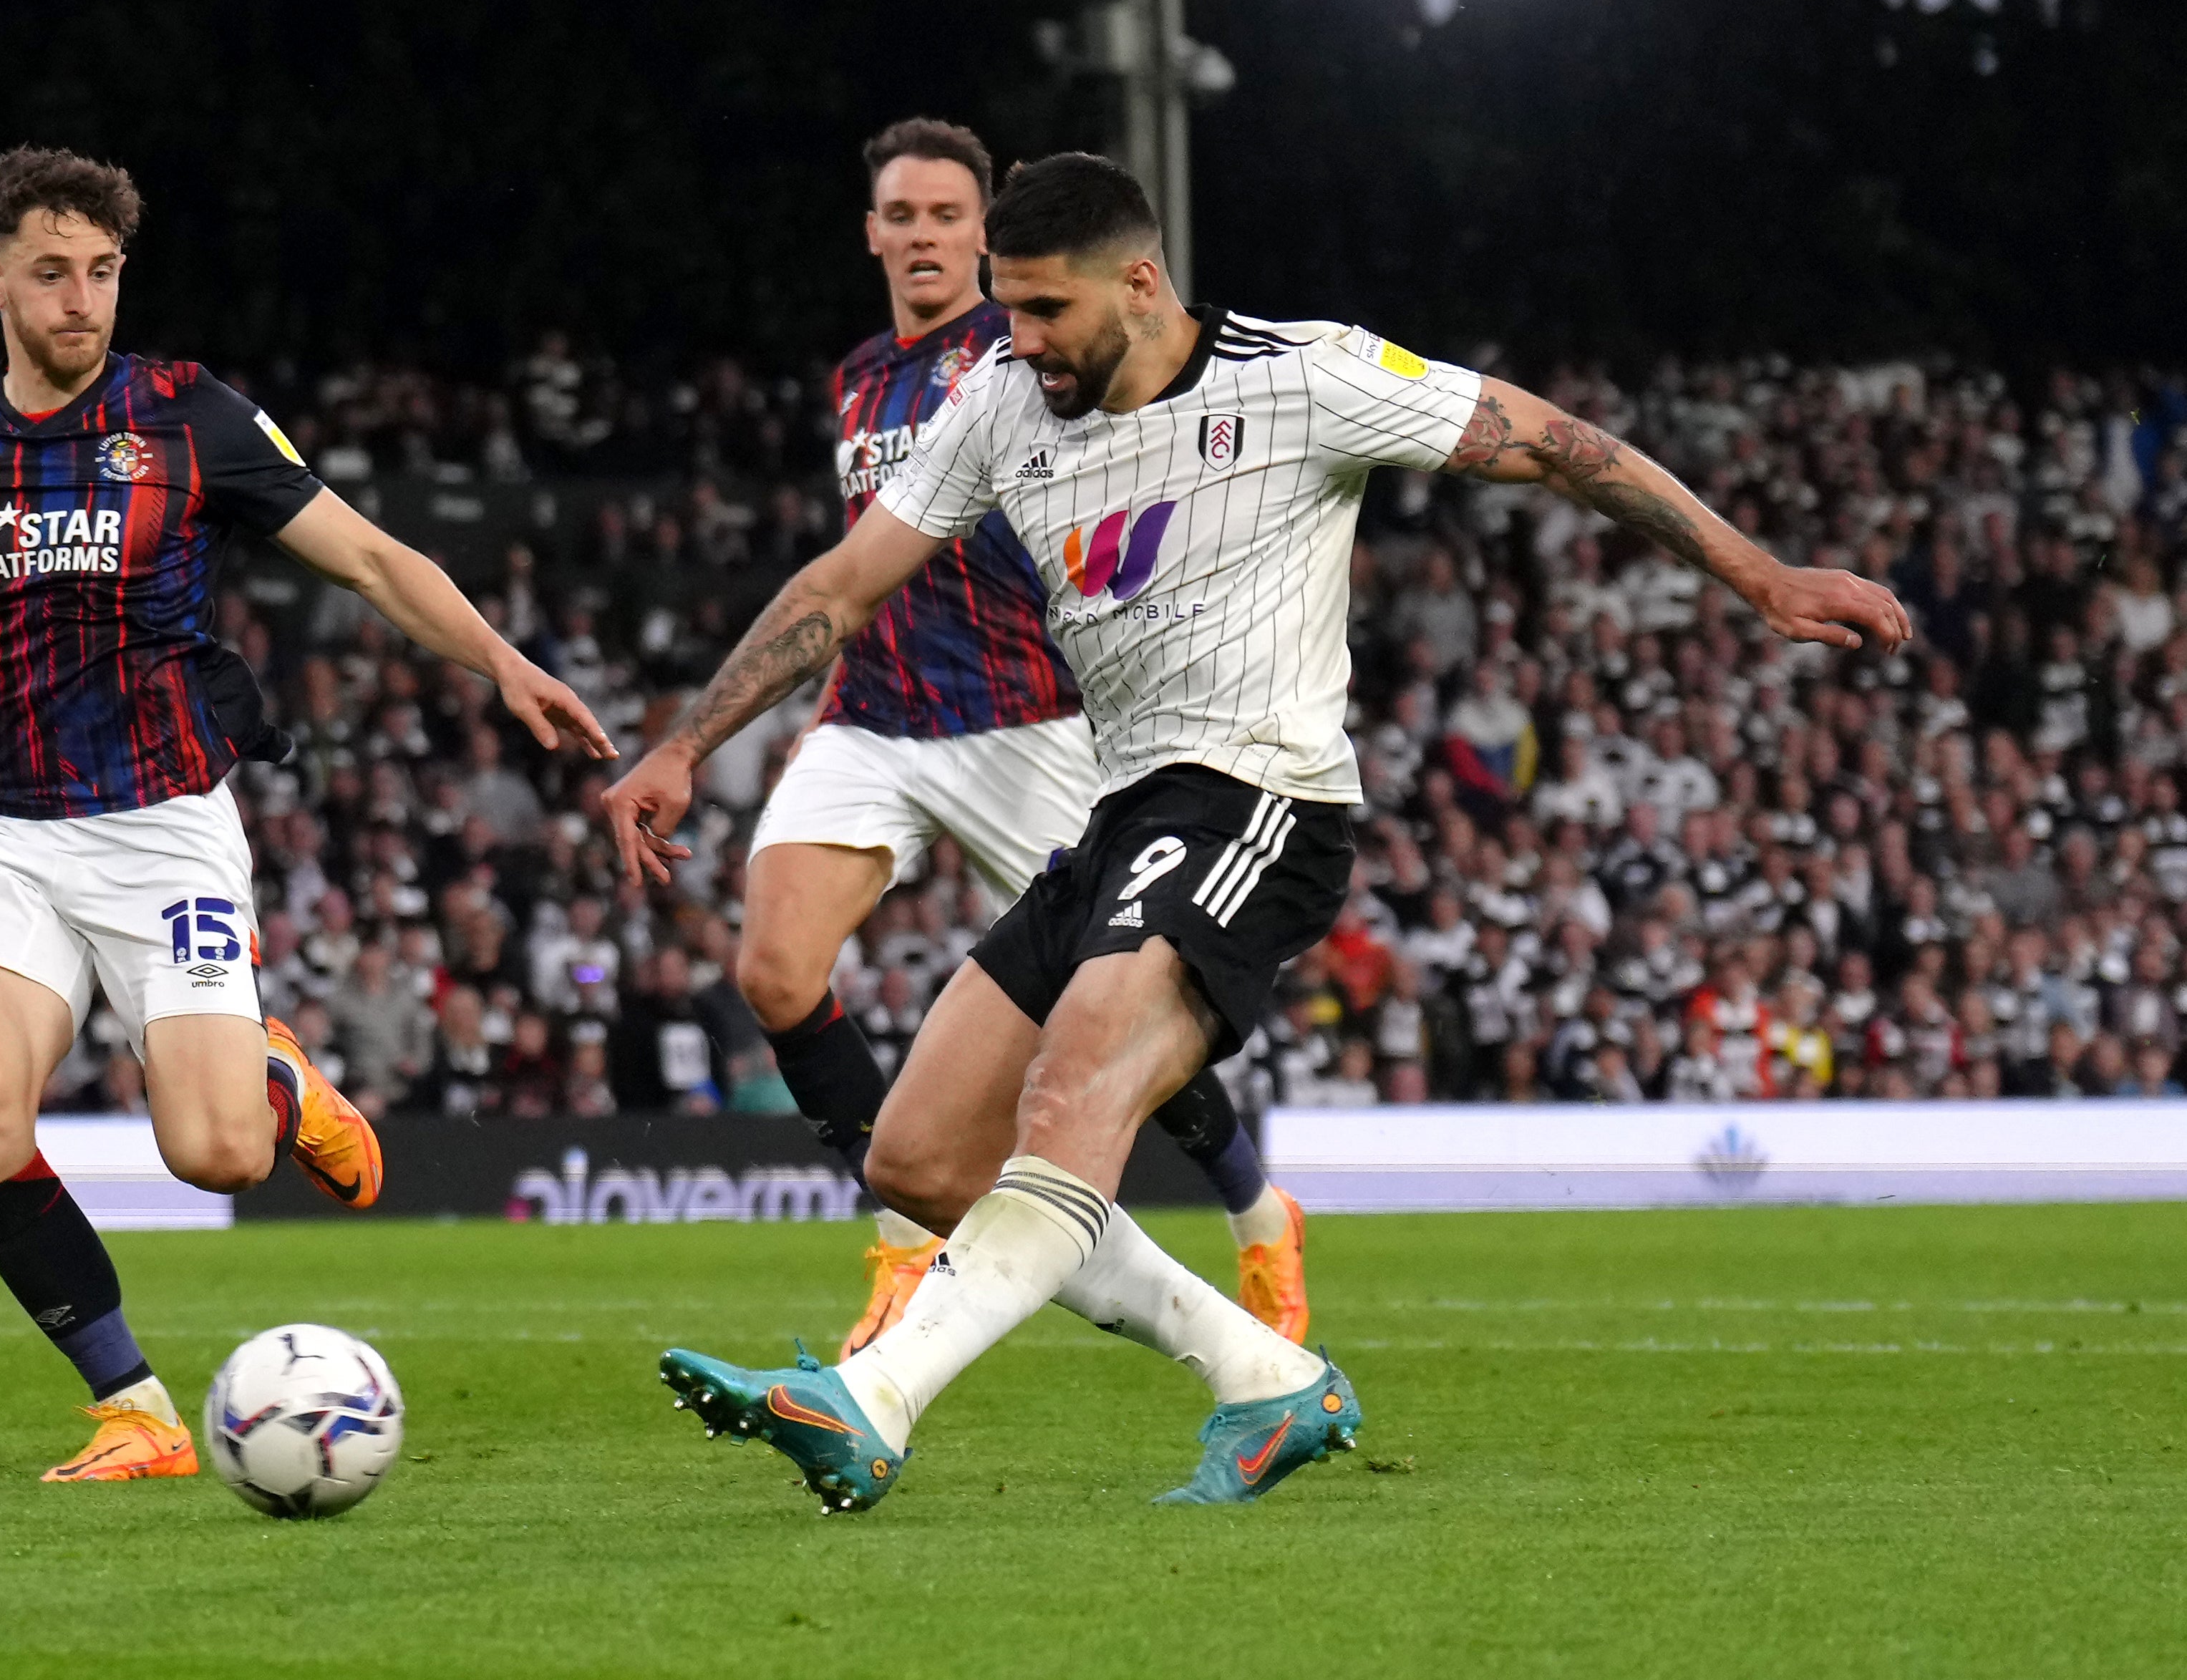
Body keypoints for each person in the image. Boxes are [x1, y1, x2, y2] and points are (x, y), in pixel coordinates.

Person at [606, 152, 1906, 1513]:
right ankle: (1267, 1378)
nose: (1020, 339)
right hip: (1122, 813)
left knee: (1073, 1096)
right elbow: (846, 580)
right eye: (1010, 306)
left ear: (1143, 283)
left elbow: (1563, 445)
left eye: (1045, 310)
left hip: (1260, 800)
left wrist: (1760, 575)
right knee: (920, 1161)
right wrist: (689, 745)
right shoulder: (1001, 402)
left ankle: (872, 1399)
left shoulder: (1306, 376)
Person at [0, 145, 611, 1485]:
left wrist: (503, 661)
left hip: (165, 830)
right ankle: (134, 1407)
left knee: (215, 1157)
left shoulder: (189, 419)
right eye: (51, 274)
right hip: (13, 838)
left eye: (101, 273)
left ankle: (271, 1075)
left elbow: (370, 555)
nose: (81, 301)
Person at [729, 116, 1310, 1361]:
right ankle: (900, 1243)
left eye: (948, 217)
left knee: (1123, 1005)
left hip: (1026, 719)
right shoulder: (859, 378)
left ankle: (1261, 1215)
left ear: (987, 235)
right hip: (877, 714)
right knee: (775, 969)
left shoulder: (1034, 350)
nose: (924, 236)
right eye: (902, 216)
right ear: (873, 232)